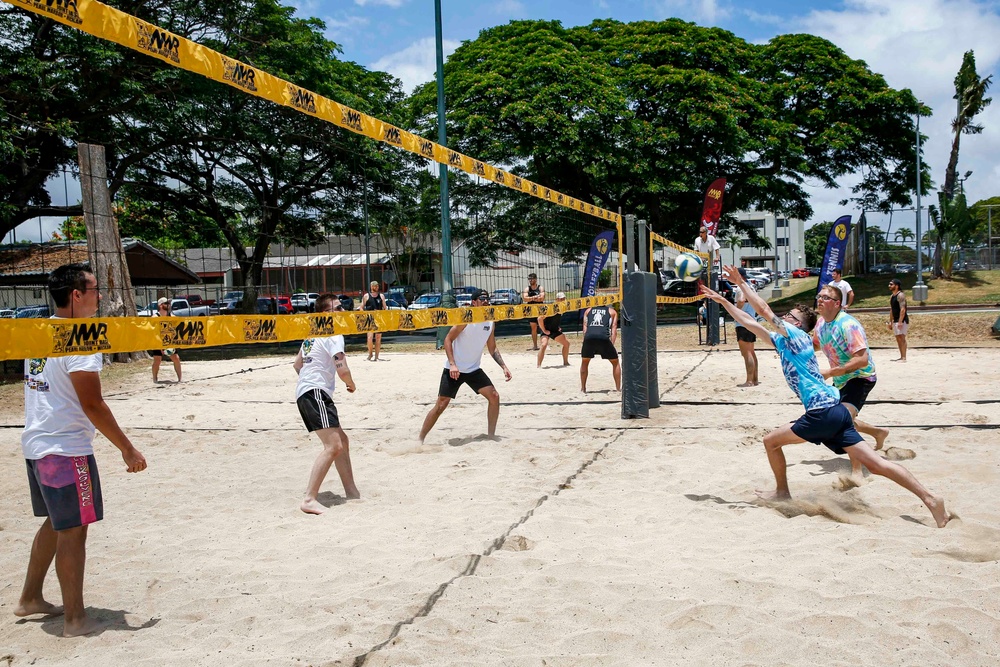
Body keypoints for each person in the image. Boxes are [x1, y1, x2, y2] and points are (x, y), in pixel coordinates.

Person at [701, 266, 948, 528]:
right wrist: (724, 301)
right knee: (876, 465)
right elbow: (750, 321)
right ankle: (931, 499)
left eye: (790, 316)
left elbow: (763, 311)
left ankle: (782, 491)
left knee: (770, 442)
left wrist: (740, 282)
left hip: (821, 412)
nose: (784, 317)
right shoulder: (783, 341)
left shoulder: (796, 336)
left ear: (798, 325)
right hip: (836, 410)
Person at [17, 263, 148, 637]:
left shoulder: (39, 330)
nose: (100, 295)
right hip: (65, 450)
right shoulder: (82, 339)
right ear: (76, 295)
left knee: (56, 524)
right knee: (74, 531)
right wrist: (127, 449)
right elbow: (93, 404)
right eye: (94, 289)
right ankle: (75, 620)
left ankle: (29, 599)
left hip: (37, 444)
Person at [812, 283, 889, 479]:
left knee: (843, 420)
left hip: (861, 377)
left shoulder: (848, 325)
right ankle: (878, 432)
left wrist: (831, 372)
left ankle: (856, 470)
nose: (820, 300)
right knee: (836, 417)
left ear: (837, 303)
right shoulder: (821, 323)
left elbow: (862, 359)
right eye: (819, 296)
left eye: (825, 297)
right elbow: (815, 345)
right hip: (841, 379)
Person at [293, 294, 359, 515]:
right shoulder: (333, 333)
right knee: (333, 446)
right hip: (315, 393)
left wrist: (309, 379)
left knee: (342, 441)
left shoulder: (312, 334)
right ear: (325, 314)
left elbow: (297, 364)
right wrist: (351, 384)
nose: (342, 311)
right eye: (337, 308)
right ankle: (309, 499)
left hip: (307, 392)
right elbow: (343, 369)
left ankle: (352, 493)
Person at [419, 289, 512, 444]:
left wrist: (504, 366)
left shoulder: (490, 321)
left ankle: (491, 436)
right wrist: (453, 364)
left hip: (473, 370)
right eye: (482, 299)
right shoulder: (465, 318)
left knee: (494, 396)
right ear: (474, 302)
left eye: (487, 299)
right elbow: (447, 340)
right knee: (441, 405)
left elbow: (492, 348)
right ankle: (420, 439)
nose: (485, 302)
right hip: (454, 370)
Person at [580, 303, 620, 393]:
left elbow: (585, 327)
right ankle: (618, 388)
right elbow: (614, 328)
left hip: (589, 337)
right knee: (615, 362)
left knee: (585, 361)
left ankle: (583, 388)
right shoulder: (612, 312)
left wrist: (585, 340)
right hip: (603, 337)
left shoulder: (588, 310)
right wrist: (612, 343)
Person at [733, 270, 760, 387]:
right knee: (751, 352)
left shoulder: (741, 287)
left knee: (746, 353)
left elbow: (741, 300)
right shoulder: (751, 286)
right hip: (751, 321)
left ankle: (749, 381)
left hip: (743, 322)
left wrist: (735, 311)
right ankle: (755, 379)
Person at [149, 297, 182, 383]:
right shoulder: (155, 318)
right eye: (166, 303)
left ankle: (180, 379)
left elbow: (177, 330)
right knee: (157, 360)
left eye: (169, 303)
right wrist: (160, 346)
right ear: (160, 305)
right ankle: (155, 379)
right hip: (158, 341)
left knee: (176, 358)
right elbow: (154, 333)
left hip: (169, 342)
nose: (169, 305)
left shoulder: (172, 317)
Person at [536, 292, 570, 368]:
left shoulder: (562, 307)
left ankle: (566, 362)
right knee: (544, 344)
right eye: (561, 299)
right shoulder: (551, 308)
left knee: (566, 344)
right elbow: (539, 318)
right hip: (546, 329)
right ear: (557, 299)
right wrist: (544, 330)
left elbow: (555, 319)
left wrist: (558, 326)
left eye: (564, 299)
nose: (563, 300)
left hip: (554, 329)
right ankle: (538, 365)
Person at [361, 281, 386, 361]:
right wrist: (364, 314)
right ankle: (370, 354)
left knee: (378, 338)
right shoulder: (366, 296)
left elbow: (385, 308)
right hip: (369, 319)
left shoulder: (381, 296)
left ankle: (377, 356)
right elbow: (361, 307)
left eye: (377, 286)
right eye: (375, 286)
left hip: (379, 319)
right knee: (369, 337)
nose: (376, 287)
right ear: (371, 287)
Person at [521, 273, 546, 350]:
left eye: (532, 279)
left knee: (542, 327)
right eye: (529, 279)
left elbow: (542, 298)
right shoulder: (527, 289)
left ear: (535, 279)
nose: (530, 280)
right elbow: (525, 299)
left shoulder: (540, 288)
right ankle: (535, 345)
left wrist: (530, 298)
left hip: (540, 309)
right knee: (533, 328)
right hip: (531, 310)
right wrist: (535, 297)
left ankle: (544, 344)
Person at [888, 278, 908, 362]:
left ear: (897, 286)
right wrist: (890, 321)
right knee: (898, 338)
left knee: (902, 338)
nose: (889, 286)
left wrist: (900, 321)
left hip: (902, 320)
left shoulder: (900, 295)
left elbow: (903, 309)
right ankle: (901, 356)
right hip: (895, 320)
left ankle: (904, 357)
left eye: (891, 284)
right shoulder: (892, 296)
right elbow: (892, 309)